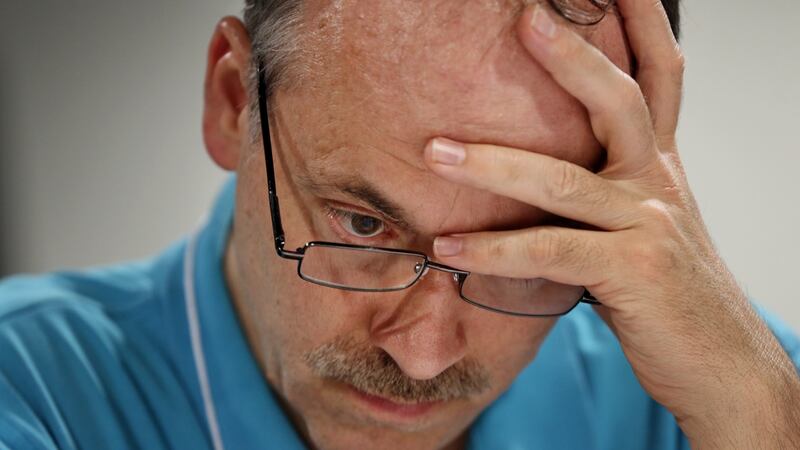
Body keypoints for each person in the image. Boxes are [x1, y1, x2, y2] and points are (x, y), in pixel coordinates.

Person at [1, 0, 798, 449]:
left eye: (525, 251)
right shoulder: (28, 393)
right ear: (235, 100)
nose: (423, 357)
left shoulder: (725, 393)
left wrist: (759, 418)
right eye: (362, 225)